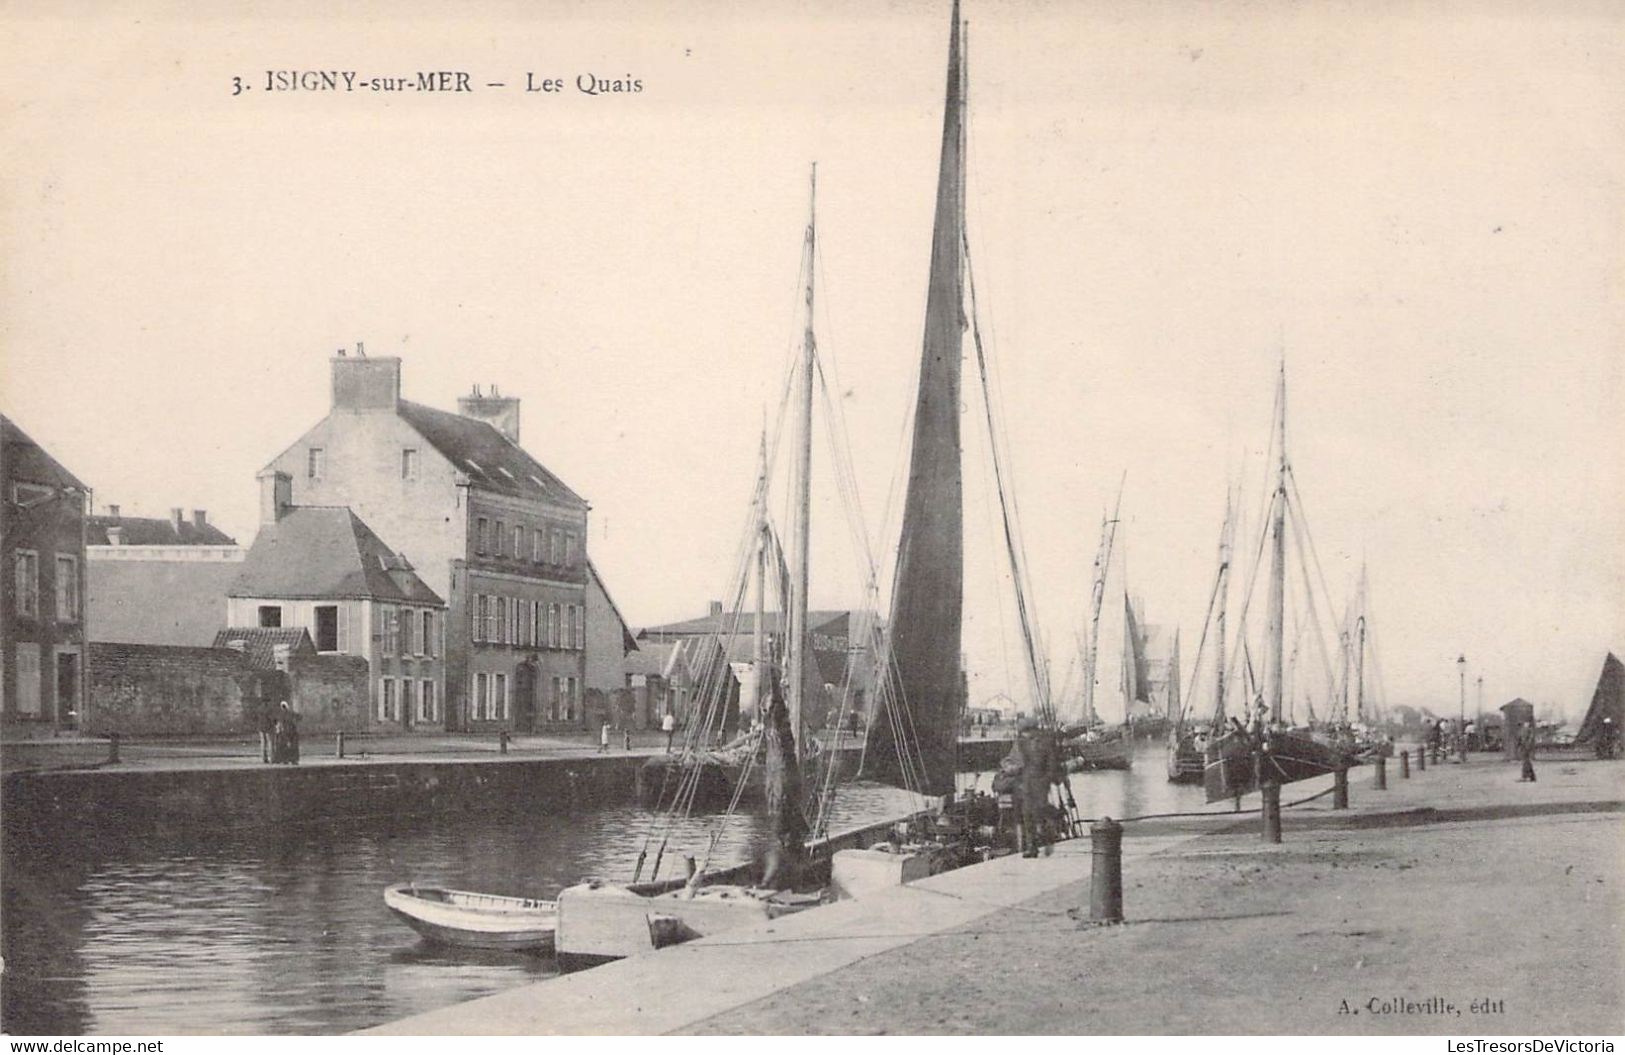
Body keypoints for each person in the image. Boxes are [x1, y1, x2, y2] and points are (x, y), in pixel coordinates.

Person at [1014, 717, 1063, 858]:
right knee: (1027, 813)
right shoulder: (1022, 744)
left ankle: (1051, 825)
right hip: (1028, 780)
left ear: (1032, 730)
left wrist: (1048, 778)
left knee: (1040, 809)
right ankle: (1032, 848)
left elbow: (1052, 763)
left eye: (1024, 732)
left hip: (1041, 781)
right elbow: (1022, 762)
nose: (1022, 735)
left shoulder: (1046, 743)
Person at [273, 701, 300, 765]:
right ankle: (294, 759)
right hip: (292, 731)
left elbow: (276, 721)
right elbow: (299, 716)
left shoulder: (280, 714)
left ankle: (285, 759)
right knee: (293, 746)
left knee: (283, 745)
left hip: (283, 732)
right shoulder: (291, 713)